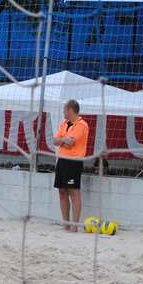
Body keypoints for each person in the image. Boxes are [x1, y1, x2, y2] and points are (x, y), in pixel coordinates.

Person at [53, 99, 90, 232]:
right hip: (62, 160)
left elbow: (70, 143)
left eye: (64, 109)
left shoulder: (81, 125)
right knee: (62, 192)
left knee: (73, 192)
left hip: (73, 162)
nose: (63, 112)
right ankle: (66, 224)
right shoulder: (64, 123)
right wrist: (63, 140)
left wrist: (61, 140)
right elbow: (54, 141)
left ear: (70, 110)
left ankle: (74, 226)